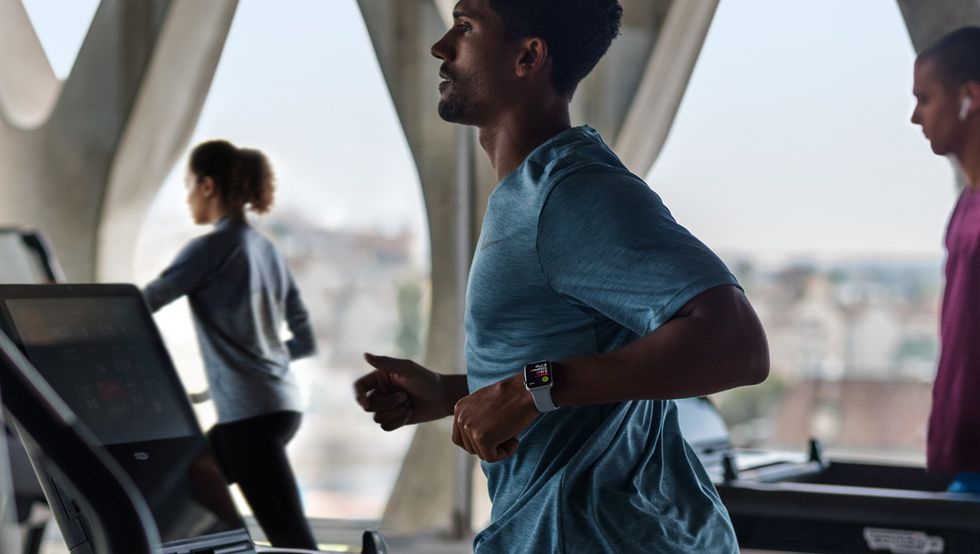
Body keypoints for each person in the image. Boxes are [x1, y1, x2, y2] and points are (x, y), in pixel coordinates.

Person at [353, 1, 769, 551]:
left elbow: (738, 345)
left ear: (528, 56)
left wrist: (531, 389)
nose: (441, 46)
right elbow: (583, 375)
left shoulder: (571, 195)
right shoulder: (532, 195)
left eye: (466, 27)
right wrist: (453, 392)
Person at [144, 140, 319, 549]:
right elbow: (304, 339)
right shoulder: (267, 249)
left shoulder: (210, 248)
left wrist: (69, 301)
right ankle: (230, 546)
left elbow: (143, 304)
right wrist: (243, 371)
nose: (187, 198)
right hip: (281, 406)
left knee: (292, 540)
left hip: (250, 415)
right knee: (196, 476)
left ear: (207, 186)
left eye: (188, 186)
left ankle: (237, 545)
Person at [910, 26, 980, 494]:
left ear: (968, 97)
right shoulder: (966, 206)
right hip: (964, 460)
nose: (916, 117)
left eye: (926, 98)